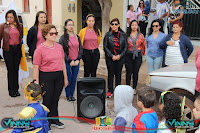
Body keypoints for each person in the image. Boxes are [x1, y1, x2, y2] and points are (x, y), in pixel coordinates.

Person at [33, 24, 68, 131]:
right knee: (47, 100)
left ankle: (54, 119)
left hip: (59, 76)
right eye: (51, 33)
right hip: (46, 76)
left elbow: (63, 63)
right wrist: (36, 84)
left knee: (55, 99)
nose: (54, 35)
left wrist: (65, 78)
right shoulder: (40, 49)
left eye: (55, 33)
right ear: (45, 35)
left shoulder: (59, 47)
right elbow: (35, 67)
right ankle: (45, 122)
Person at [0, 10, 23, 97]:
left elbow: (21, 38)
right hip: (8, 50)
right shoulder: (3, 26)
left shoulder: (20, 26)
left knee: (16, 69)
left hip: (17, 50)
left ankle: (16, 89)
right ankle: (11, 90)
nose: (9, 19)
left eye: (11, 17)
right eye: (8, 17)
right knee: (10, 70)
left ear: (15, 18)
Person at [59, 19, 83, 102]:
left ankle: (72, 94)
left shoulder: (77, 36)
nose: (71, 26)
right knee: (68, 78)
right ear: (65, 26)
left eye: (72, 24)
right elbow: (62, 51)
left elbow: (80, 49)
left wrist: (78, 59)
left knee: (74, 78)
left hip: (76, 61)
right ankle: (68, 95)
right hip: (67, 62)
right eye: (69, 25)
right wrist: (69, 61)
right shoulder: (63, 38)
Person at [103, 18, 128, 98]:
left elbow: (126, 47)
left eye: (116, 24)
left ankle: (117, 90)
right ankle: (110, 90)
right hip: (110, 58)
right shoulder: (108, 35)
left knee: (118, 74)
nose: (114, 25)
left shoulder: (123, 35)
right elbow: (105, 47)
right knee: (110, 74)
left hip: (120, 58)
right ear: (110, 25)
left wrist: (120, 56)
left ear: (119, 25)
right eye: (112, 24)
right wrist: (112, 56)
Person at [125, 20, 146, 92]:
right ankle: (127, 87)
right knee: (128, 72)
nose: (134, 26)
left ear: (138, 26)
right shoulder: (127, 35)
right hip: (128, 55)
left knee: (135, 72)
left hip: (138, 55)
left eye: (135, 25)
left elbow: (143, 46)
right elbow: (124, 45)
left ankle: (134, 88)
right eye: (132, 25)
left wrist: (143, 55)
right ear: (130, 26)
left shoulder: (141, 35)